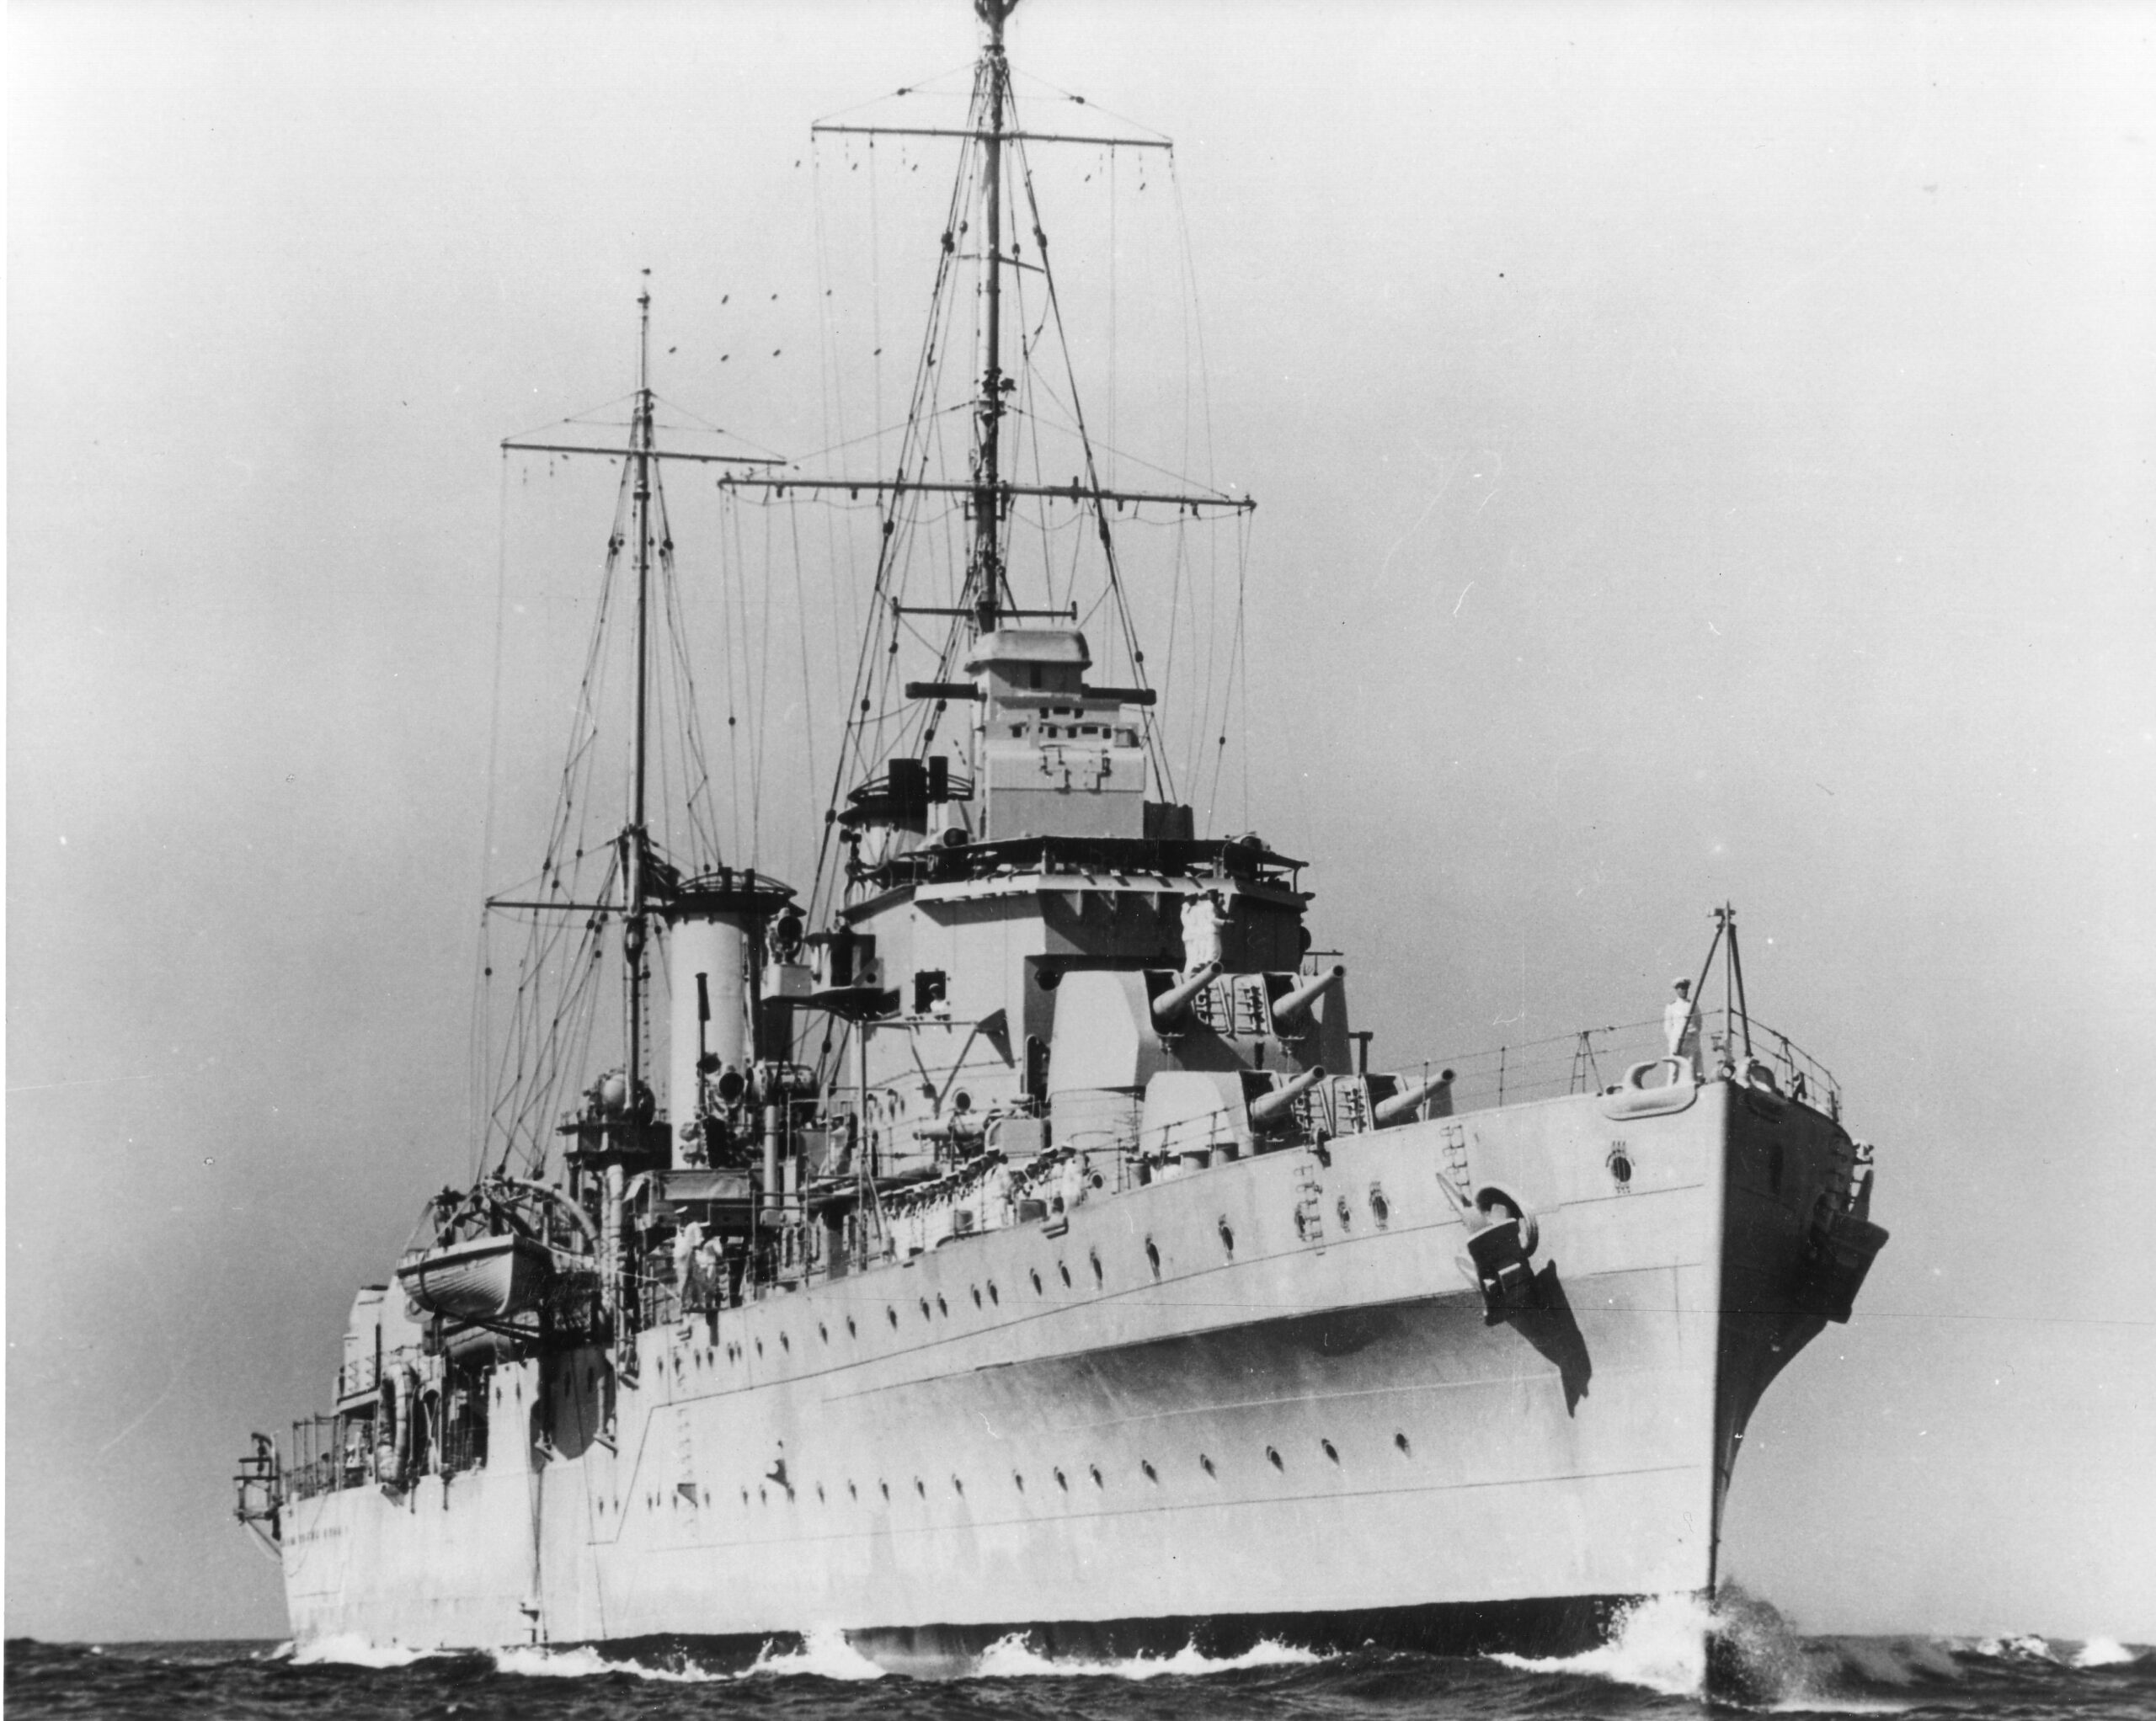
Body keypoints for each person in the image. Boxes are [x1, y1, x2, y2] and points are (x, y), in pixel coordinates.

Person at [1180, 888, 1226, 974]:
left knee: (1199, 958)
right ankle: (1189, 975)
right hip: (1193, 936)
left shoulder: (1194, 907)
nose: (1195, 899)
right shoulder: (1188, 908)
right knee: (1194, 959)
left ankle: (1195, 974)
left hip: (1197, 936)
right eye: (1193, 897)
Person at [1663, 977, 1700, 1075]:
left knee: (1692, 1066)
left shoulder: (1693, 1005)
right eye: (1682, 988)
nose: (1684, 990)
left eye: (1686, 988)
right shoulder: (1671, 1006)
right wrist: (1674, 1039)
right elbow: (1668, 1027)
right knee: (1675, 1068)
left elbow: (1698, 1022)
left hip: (1691, 1040)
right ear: (1676, 990)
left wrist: (1693, 1033)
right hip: (1677, 1040)